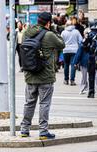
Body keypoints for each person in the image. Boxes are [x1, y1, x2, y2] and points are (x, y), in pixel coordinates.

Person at [20, 12, 65, 140]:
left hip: (30, 74)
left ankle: (24, 129)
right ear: (48, 23)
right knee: (44, 104)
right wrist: (54, 31)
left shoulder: (27, 32)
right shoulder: (50, 34)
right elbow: (62, 44)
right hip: (45, 76)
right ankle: (43, 131)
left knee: (29, 103)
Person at [83, 19, 97, 98]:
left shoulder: (89, 34)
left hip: (91, 57)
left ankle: (91, 91)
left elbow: (84, 45)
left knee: (91, 75)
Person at [61, 20, 83, 86]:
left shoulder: (63, 32)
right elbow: (81, 40)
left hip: (65, 50)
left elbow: (61, 41)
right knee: (73, 65)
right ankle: (72, 80)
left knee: (66, 65)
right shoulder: (76, 32)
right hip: (74, 50)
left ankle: (66, 80)